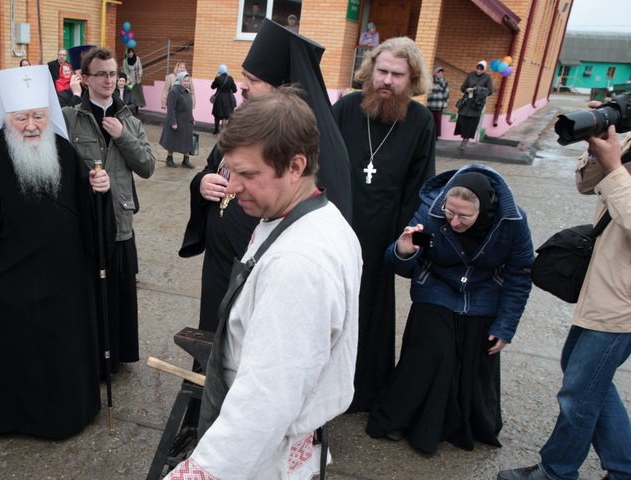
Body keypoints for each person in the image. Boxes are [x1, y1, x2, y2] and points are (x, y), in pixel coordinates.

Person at [150, 87, 361, 480]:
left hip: (267, 429)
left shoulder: (299, 264)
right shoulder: (305, 214)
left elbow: (264, 399)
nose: (233, 186)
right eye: (229, 170)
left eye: (247, 175)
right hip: (285, 421)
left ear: (296, 165)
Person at [497, 55, 631, 480]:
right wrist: (598, 148)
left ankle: (558, 469)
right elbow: (587, 186)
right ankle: (628, 468)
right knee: (583, 374)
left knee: (580, 388)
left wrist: (616, 168)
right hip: (605, 284)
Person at [181, 19, 353, 334]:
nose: (243, 86)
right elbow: (212, 166)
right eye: (244, 76)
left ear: (282, 86)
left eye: (253, 79)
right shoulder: (248, 120)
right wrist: (203, 183)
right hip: (220, 266)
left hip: (259, 272)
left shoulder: (309, 140)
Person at [0, 65, 104, 438]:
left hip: (64, 280)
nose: (31, 126)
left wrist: (98, 190)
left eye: (38, 116)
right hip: (14, 284)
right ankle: (13, 419)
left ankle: (67, 414)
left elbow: (86, 211)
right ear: (6, 117)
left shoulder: (64, 151)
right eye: (21, 118)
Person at [366, 166, 534, 455]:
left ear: (485, 209)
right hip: (437, 287)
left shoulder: (512, 222)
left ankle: (466, 423)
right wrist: (403, 250)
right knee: (434, 348)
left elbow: (520, 274)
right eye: (450, 212)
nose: (454, 221)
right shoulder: (431, 212)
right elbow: (398, 262)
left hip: (483, 292)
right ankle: (400, 417)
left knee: (479, 350)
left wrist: (505, 326)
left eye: (464, 216)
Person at [333, 36, 436, 412]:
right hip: (337, 227)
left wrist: (404, 243)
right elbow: (320, 162)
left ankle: (361, 391)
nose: (387, 81)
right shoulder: (347, 108)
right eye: (382, 71)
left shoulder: (421, 121)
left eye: (397, 75)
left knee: (369, 313)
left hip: (382, 237)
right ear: (370, 70)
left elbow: (421, 186)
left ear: (412, 80)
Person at [63, 47, 155, 373]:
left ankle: (114, 357)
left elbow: (147, 166)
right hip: (83, 221)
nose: (108, 80)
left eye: (113, 73)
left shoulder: (130, 120)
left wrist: (123, 136)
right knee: (87, 293)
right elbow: (60, 167)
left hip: (119, 220)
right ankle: (88, 358)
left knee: (117, 293)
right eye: (101, 73)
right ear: (85, 79)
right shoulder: (71, 118)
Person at [456, 61, 494, 149]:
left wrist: (478, 90)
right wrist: (467, 89)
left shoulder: (487, 77)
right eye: (478, 68)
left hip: (477, 103)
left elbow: (490, 91)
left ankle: (465, 141)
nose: (479, 71)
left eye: (481, 69)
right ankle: (463, 136)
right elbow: (463, 87)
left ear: (484, 69)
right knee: (461, 120)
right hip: (467, 101)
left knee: (470, 123)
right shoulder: (471, 75)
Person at [162, 71, 195, 168]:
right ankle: (169, 159)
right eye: (185, 81)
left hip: (186, 121)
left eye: (188, 81)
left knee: (187, 141)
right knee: (172, 141)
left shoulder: (187, 91)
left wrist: (192, 118)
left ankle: (186, 160)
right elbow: (171, 108)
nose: (187, 83)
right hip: (176, 120)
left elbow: (189, 107)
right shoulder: (174, 91)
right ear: (180, 80)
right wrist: (173, 122)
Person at [210, 65, 236, 134]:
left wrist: (216, 77)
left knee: (217, 115)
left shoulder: (218, 78)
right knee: (225, 116)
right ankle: (223, 133)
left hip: (219, 99)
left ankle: (216, 130)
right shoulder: (230, 79)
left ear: (219, 71)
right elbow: (235, 90)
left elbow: (212, 87)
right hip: (228, 99)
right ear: (226, 70)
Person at [427, 66, 449, 138]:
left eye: (441, 73)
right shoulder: (431, 81)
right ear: (435, 73)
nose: (440, 74)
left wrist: (445, 104)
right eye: (438, 72)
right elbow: (427, 91)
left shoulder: (444, 81)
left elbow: (446, 93)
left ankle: (436, 135)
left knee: (438, 121)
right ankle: (428, 134)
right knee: (429, 120)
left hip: (439, 105)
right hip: (430, 104)